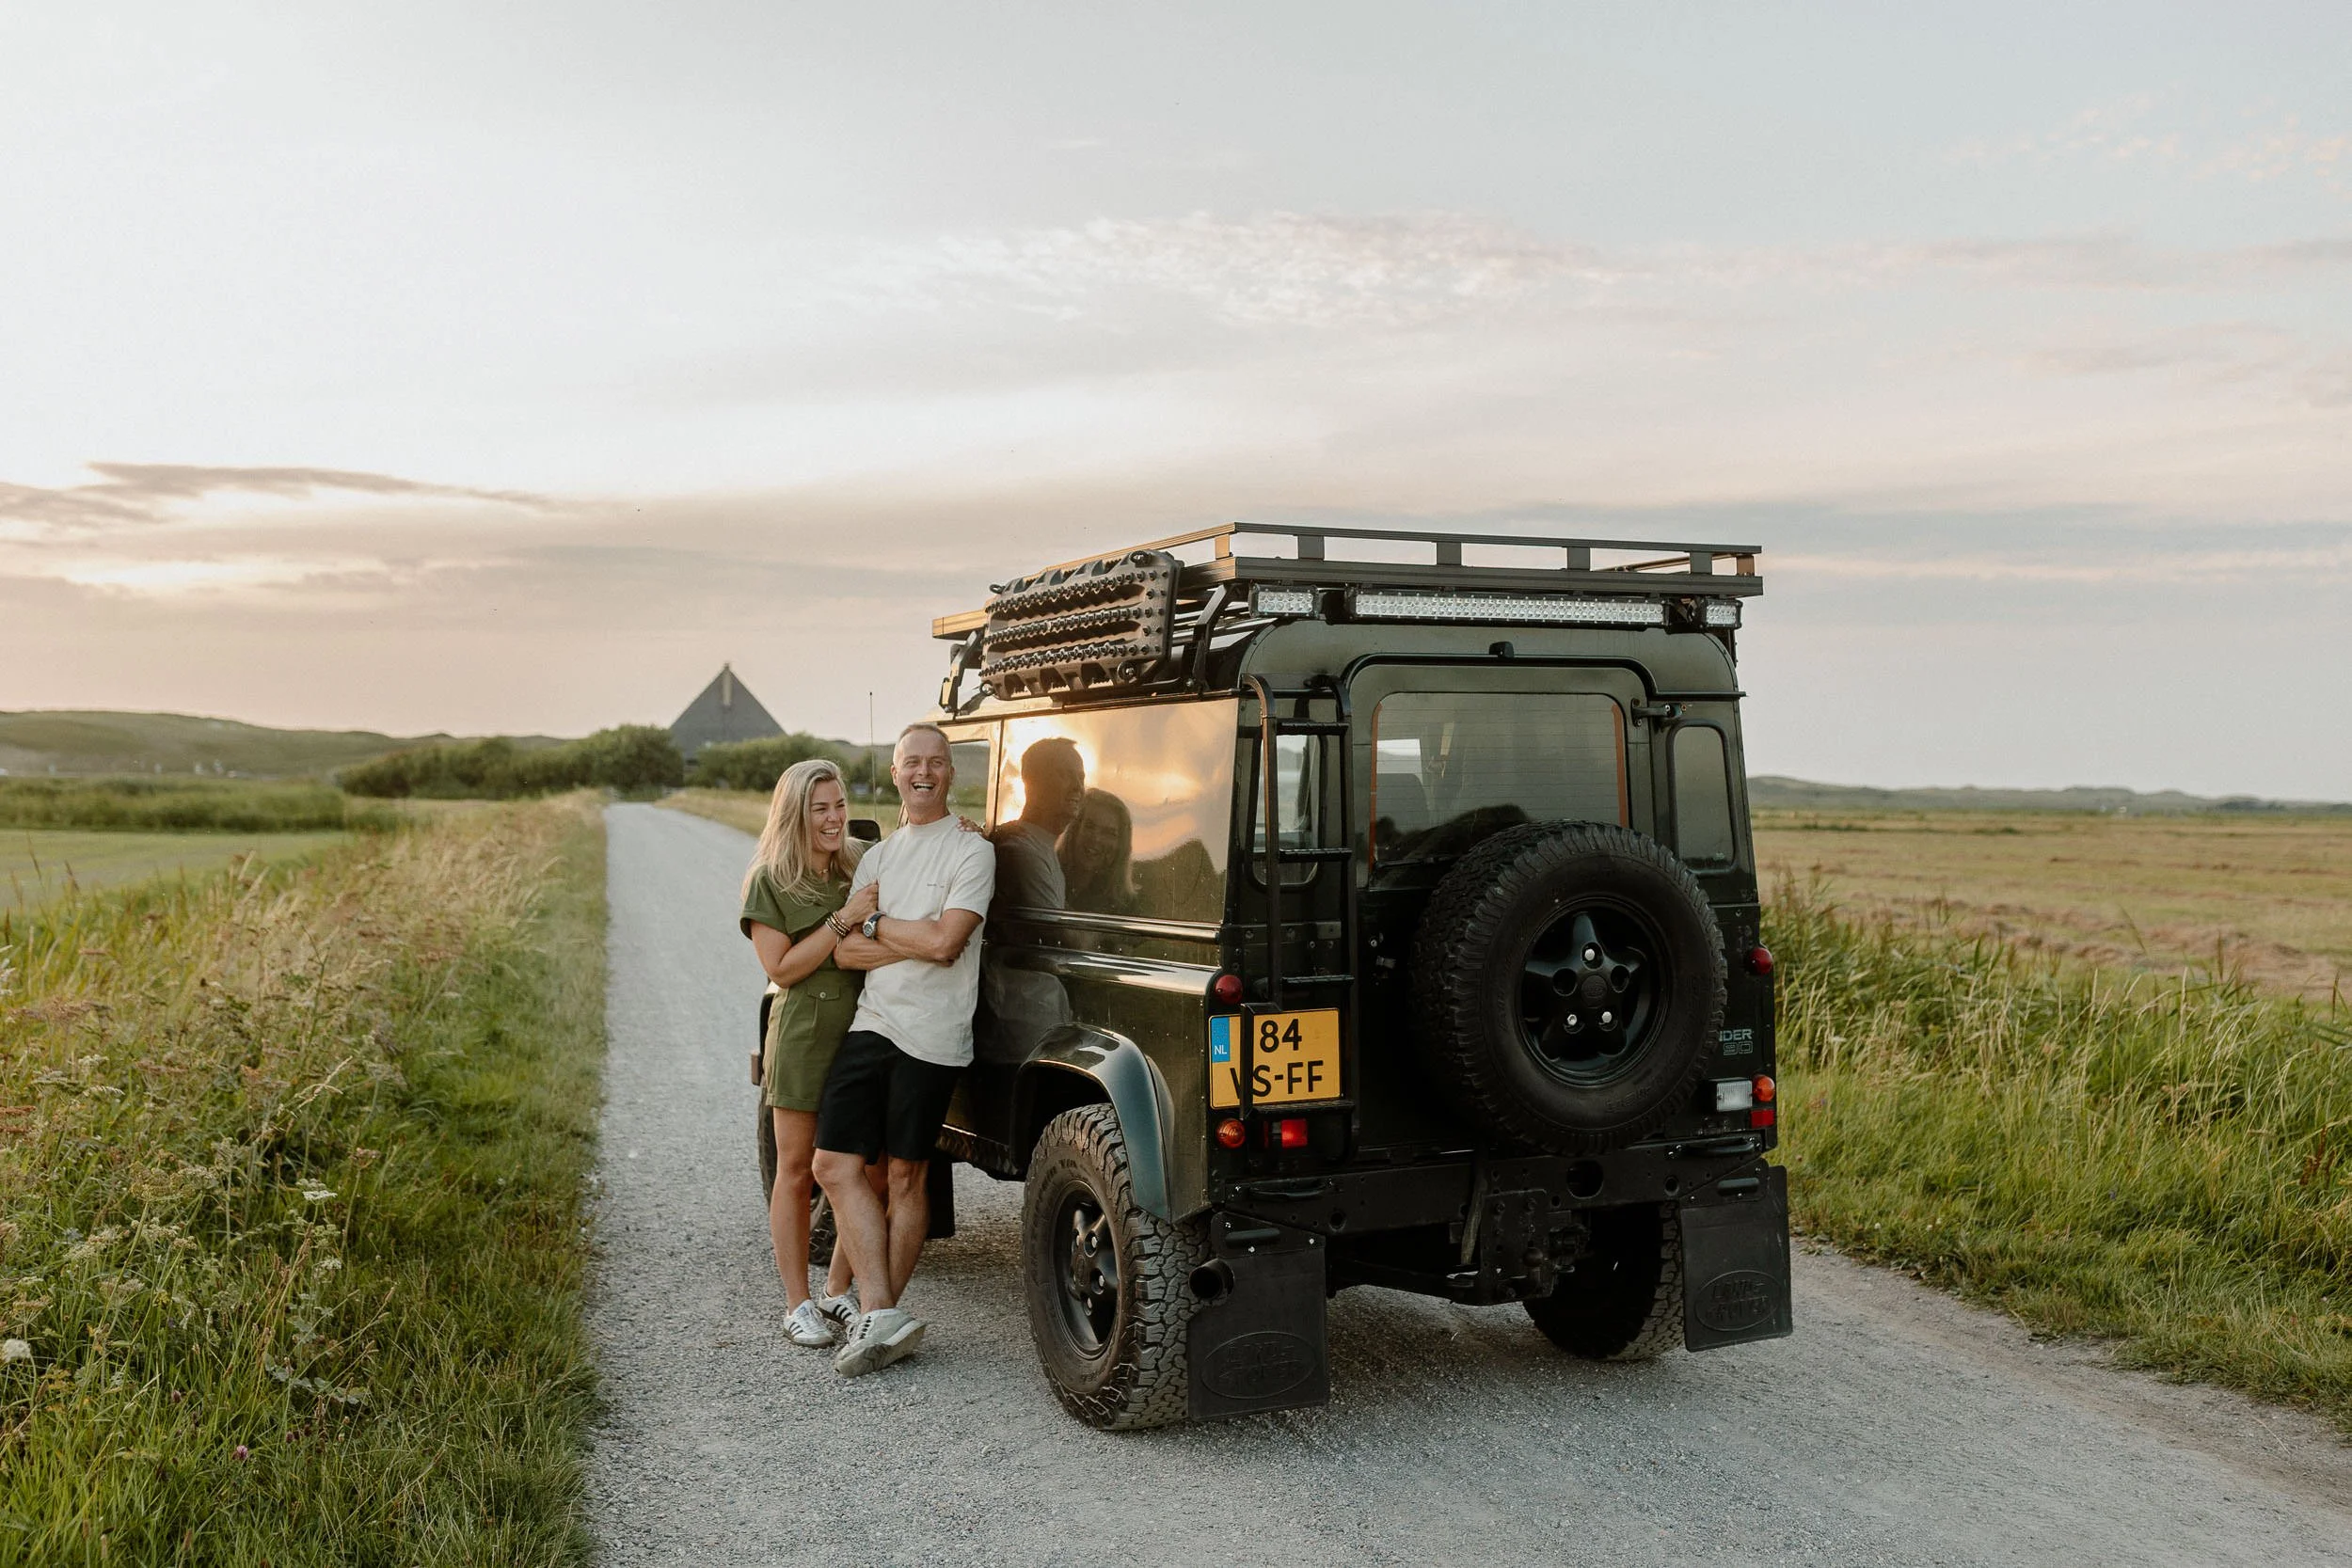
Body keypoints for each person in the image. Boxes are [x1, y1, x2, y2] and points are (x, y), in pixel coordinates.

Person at [816, 723, 996, 1377]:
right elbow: (844, 949)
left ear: (951, 772)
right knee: (835, 1164)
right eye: (911, 762)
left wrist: (878, 926)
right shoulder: (878, 859)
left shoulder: (973, 851)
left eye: (936, 762)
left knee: (904, 1174)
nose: (923, 772)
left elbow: (949, 942)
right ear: (894, 773)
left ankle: (866, 1312)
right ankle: (879, 1310)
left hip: (934, 1034)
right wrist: (907, 934)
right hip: (874, 1022)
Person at [739, 758, 879, 1347]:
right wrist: (843, 921)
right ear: (795, 813)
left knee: (861, 1168)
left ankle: (836, 1291)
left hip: (865, 1032)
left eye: (839, 805)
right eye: (819, 808)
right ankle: (797, 1303)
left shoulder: (860, 863)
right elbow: (783, 968)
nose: (832, 818)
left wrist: (969, 831)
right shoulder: (770, 879)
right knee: (797, 1172)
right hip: (802, 1036)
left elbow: (924, 859)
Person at [981, 738, 1085, 1061]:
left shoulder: (1042, 847)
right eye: (1065, 774)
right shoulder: (1021, 851)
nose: (1077, 787)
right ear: (1031, 782)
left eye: (1081, 777)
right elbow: (1061, 937)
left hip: (1039, 1019)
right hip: (1019, 1026)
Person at [1061, 786, 1136, 914]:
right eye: (1090, 826)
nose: (1096, 839)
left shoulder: (1126, 905)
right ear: (1074, 829)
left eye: (1109, 833)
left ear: (1121, 845)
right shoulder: (1045, 874)